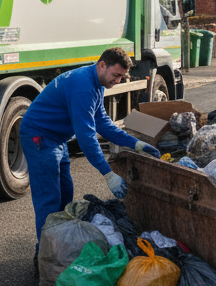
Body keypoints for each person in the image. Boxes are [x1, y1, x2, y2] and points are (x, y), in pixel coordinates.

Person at [19, 47, 161, 241]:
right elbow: (86, 137)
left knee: (65, 193)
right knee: (49, 201)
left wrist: (136, 144)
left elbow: (102, 123)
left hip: (57, 139)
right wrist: (108, 174)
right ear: (102, 65)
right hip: (40, 138)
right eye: (116, 75)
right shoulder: (83, 87)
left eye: (121, 77)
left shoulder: (96, 83)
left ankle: (60, 246)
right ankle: (44, 259)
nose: (118, 81)